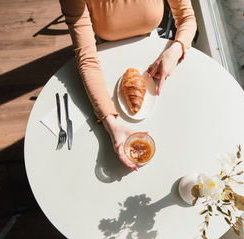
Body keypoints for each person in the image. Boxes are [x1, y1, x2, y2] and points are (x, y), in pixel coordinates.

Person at [59, 0, 197, 170]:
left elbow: (187, 18)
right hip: (103, 65)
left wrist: (177, 49)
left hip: (157, 60)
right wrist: (111, 125)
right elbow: (88, 60)